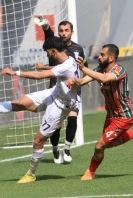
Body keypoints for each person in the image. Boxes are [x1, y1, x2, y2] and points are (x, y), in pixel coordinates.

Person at [0, 37, 80, 183]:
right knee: (20, 103)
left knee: (38, 141)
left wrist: (15, 72)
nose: (47, 55)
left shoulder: (66, 66)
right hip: (54, 93)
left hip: (60, 106)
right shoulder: (68, 59)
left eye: (47, 52)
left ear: (53, 51)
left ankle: (31, 174)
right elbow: (55, 71)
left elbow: (40, 75)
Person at [69, 44, 133, 181]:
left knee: (99, 146)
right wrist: (75, 81)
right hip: (111, 115)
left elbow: (104, 79)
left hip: (124, 116)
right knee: (109, 144)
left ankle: (90, 172)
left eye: (102, 55)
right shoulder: (100, 69)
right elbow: (83, 81)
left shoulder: (120, 71)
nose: (99, 57)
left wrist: (84, 68)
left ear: (111, 58)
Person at [34, 16, 88, 164]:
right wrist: (44, 24)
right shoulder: (55, 45)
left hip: (73, 89)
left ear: (72, 32)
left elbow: (84, 66)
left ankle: (68, 148)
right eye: (61, 31)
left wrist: (85, 78)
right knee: (56, 124)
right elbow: (48, 33)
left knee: (73, 118)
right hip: (55, 88)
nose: (63, 33)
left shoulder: (78, 49)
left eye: (66, 30)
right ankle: (55, 148)